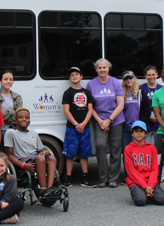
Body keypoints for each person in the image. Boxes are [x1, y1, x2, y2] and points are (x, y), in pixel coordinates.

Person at [86, 58, 125, 188]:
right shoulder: (91, 84)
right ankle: (103, 178)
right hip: (100, 121)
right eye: (99, 68)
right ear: (96, 69)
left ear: (108, 68)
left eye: (104, 68)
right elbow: (90, 107)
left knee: (115, 148)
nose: (102, 70)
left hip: (116, 120)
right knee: (100, 146)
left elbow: (120, 105)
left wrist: (109, 120)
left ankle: (113, 178)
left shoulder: (115, 82)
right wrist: (101, 122)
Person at [5, 108, 57, 196]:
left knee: (52, 159)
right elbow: (9, 155)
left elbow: (41, 151)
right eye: (21, 117)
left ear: (29, 121)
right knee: (40, 158)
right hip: (23, 159)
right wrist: (22, 165)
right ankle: (42, 189)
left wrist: (47, 152)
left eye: (27, 118)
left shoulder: (33, 133)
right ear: (15, 121)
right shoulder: (11, 133)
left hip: (36, 157)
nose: (24, 119)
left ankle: (49, 188)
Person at [60, 67, 96, 188]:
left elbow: (90, 110)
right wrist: (76, 124)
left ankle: (85, 177)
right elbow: (66, 111)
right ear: (69, 79)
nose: (75, 77)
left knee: (84, 153)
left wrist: (83, 124)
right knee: (70, 153)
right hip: (72, 128)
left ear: (81, 77)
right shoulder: (67, 93)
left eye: (77, 74)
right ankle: (68, 178)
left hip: (85, 128)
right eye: (72, 75)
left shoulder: (87, 93)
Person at [124, 121, 164, 206]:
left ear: (145, 134)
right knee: (140, 201)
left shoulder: (152, 148)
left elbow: (154, 169)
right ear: (132, 134)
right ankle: (143, 193)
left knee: (161, 200)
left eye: (141, 131)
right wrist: (145, 186)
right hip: (135, 181)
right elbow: (131, 171)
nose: (139, 134)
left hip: (150, 181)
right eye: (136, 131)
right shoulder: (128, 149)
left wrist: (150, 185)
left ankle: (148, 193)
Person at [121, 70, 152, 147]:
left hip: (137, 127)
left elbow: (147, 110)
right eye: (126, 79)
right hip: (125, 127)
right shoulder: (121, 93)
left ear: (134, 79)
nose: (129, 80)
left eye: (130, 78)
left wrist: (141, 124)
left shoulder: (140, 92)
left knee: (136, 149)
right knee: (126, 150)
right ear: (123, 81)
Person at [0, 70, 23, 139]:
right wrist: (10, 112)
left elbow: (19, 117)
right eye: (5, 79)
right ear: (0, 81)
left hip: (14, 131)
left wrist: (2, 116)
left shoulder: (17, 97)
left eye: (11, 79)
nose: (8, 81)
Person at [139, 66, 163, 144]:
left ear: (157, 75)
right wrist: (148, 117)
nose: (151, 77)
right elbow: (139, 107)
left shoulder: (162, 89)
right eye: (149, 75)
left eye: (153, 74)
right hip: (147, 124)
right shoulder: (141, 89)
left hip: (159, 124)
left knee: (158, 149)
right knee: (146, 147)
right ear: (145, 76)